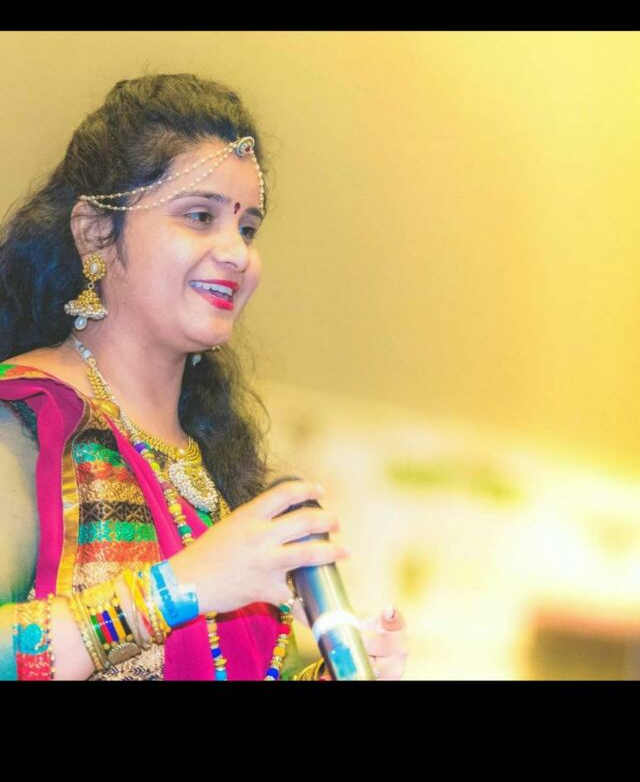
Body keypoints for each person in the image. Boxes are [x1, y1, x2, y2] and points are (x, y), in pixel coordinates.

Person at [0, 73, 409, 681]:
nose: (237, 254)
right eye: (199, 216)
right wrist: (172, 591)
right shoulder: (28, 417)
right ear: (95, 232)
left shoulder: (213, 464)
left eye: (247, 229)